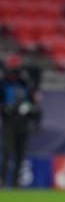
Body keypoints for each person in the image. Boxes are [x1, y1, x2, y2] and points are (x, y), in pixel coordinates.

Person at [0, 54, 38, 187]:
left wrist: (28, 107)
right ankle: (3, 181)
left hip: (22, 123)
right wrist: (6, 108)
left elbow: (33, 102)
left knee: (20, 153)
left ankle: (16, 182)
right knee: (6, 153)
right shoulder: (3, 83)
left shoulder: (25, 83)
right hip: (9, 123)